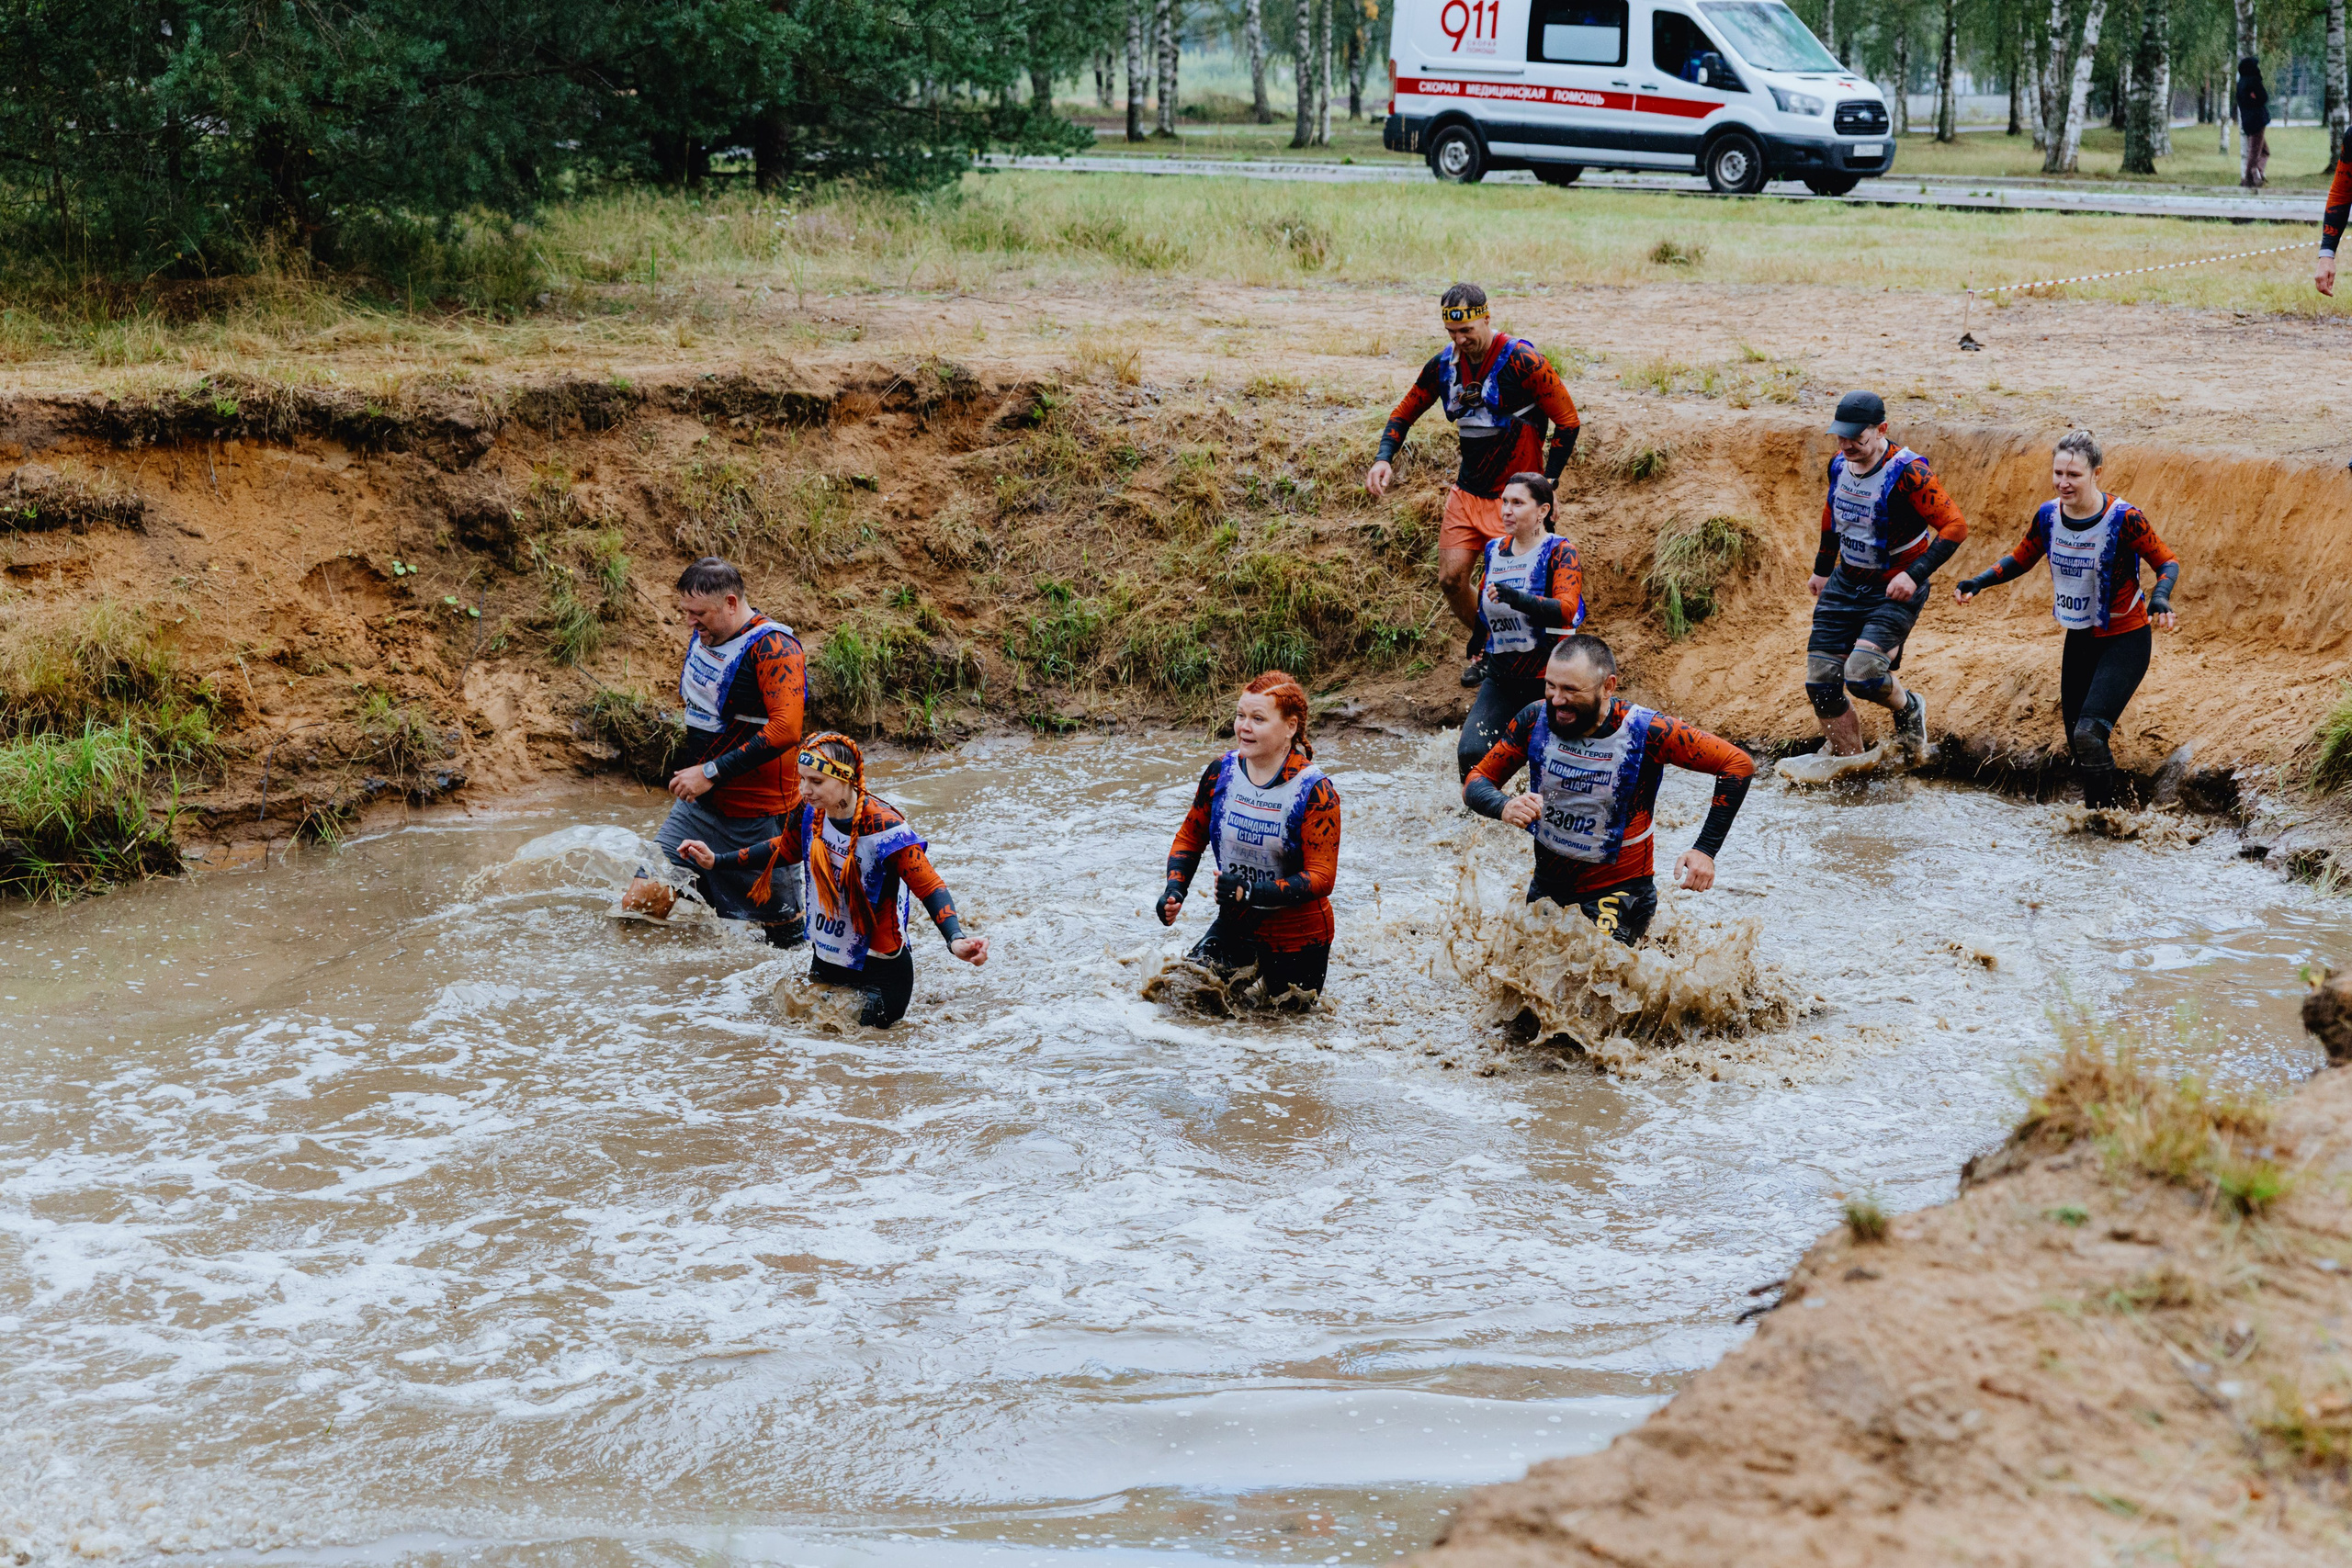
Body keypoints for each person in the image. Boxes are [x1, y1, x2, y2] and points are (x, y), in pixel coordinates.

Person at [1463, 634, 1754, 947]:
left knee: (1593, 978)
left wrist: (1705, 850)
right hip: (1549, 884)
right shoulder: (1534, 719)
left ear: (1607, 687)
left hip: (1620, 890)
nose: (1557, 700)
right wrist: (1503, 805)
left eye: (1571, 690)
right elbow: (1476, 781)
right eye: (1551, 686)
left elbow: (1737, 764)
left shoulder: (1647, 732)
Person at [679, 733, 987, 1027]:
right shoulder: (811, 811)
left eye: (816, 782)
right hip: (826, 961)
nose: (804, 790)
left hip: (880, 978)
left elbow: (930, 886)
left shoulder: (885, 830)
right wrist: (718, 860)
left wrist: (955, 939)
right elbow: (786, 849)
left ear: (846, 779)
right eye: (801, 779)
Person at [1363, 283, 1582, 688]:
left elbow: (1568, 420)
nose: (1461, 341)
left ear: (1486, 316)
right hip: (1467, 493)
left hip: (1514, 496)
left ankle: (1539, 664)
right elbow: (1405, 411)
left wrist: (1547, 482)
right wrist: (1383, 458)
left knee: (1517, 589)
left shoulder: (1523, 360)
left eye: (1467, 332)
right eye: (1452, 333)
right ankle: (1488, 649)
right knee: (1450, 579)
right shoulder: (1444, 365)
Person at [1952, 430, 2180, 810]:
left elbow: (2166, 561)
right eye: (2058, 473)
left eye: (2074, 475)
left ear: (2097, 474)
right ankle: (2106, 819)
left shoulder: (2124, 518)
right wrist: (1979, 581)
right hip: (2080, 638)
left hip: (2125, 638)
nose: (2063, 483)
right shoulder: (2048, 516)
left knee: (2090, 734)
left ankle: (2102, 820)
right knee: (2079, 741)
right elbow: (2022, 557)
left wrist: (2160, 598)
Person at [645, 557, 808, 944]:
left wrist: (710, 772)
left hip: (760, 817)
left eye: (699, 613)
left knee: (784, 943)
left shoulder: (775, 648)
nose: (690, 622)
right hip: (699, 809)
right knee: (641, 907)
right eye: (686, 612)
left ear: (731, 603)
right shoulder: (708, 637)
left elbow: (787, 729)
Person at [1804, 389, 1971, 764]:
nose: (1846, 445)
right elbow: (1834, 513)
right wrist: (1821, 568)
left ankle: (1910, 707)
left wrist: (1914, 576)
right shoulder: (1839, 463)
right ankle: (1850, 763)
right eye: (1840, 436)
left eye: (1856, 438)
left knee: (1861, 674)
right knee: (1820, 681)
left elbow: (1955, 527)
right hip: (1846, 581)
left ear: (1881, 430)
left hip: (1895, 586)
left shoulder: (1910, 473)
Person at [1157, 671, 1341, 1005]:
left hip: (1299, 937)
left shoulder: (1315, 791)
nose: (1244, 727)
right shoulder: (1220, 773)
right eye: (1241, 715)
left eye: (1258, 718)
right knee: (1179, 999)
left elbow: (1322, 877)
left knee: (1284, 1033)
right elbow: (1189, 837)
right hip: (1236, 923)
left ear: (1290, 727)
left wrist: (1254, 891)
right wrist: (1175, 888)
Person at [1459, 471, 1585, 781]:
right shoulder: (1494, 550)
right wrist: (1478, 636)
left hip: (1550, 680)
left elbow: (1566, 611)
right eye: (1504, 502)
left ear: (1542, 511)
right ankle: (1478, 820)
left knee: (1552, 766)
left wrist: (1516, 598)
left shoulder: (1560, 551)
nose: (1506, 511)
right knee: (1471, 753)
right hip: (1503, 677)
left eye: (1517, 503)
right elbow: (1487, 599)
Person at [2236, 58, 2270, 189]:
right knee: (2255, 152)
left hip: (2247, 121)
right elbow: (2263, 97)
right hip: (2257, 120)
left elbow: (2245, 102)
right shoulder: (2254, 81)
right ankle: (2249, 179)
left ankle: (2258, 173)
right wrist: (2257, 99)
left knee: (2264, 151)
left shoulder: (2241, 83)